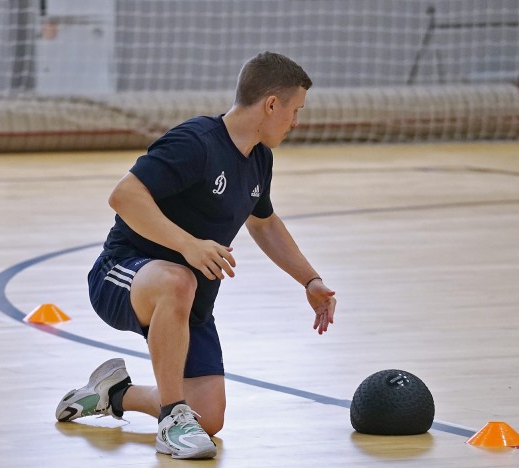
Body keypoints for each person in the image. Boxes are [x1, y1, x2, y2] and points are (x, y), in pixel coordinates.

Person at [55, 51, 337, 460]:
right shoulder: (196, 142)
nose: (296, 122)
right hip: (124, 274)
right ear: (271, 104)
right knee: (178, 279)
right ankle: (171, 422)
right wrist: (188, 244)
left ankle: (114, 393)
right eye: (295, 110)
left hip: (189, 304)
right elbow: (124, 195)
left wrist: (310, 280)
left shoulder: (260, 158)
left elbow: (264, 223)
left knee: (208, 416)